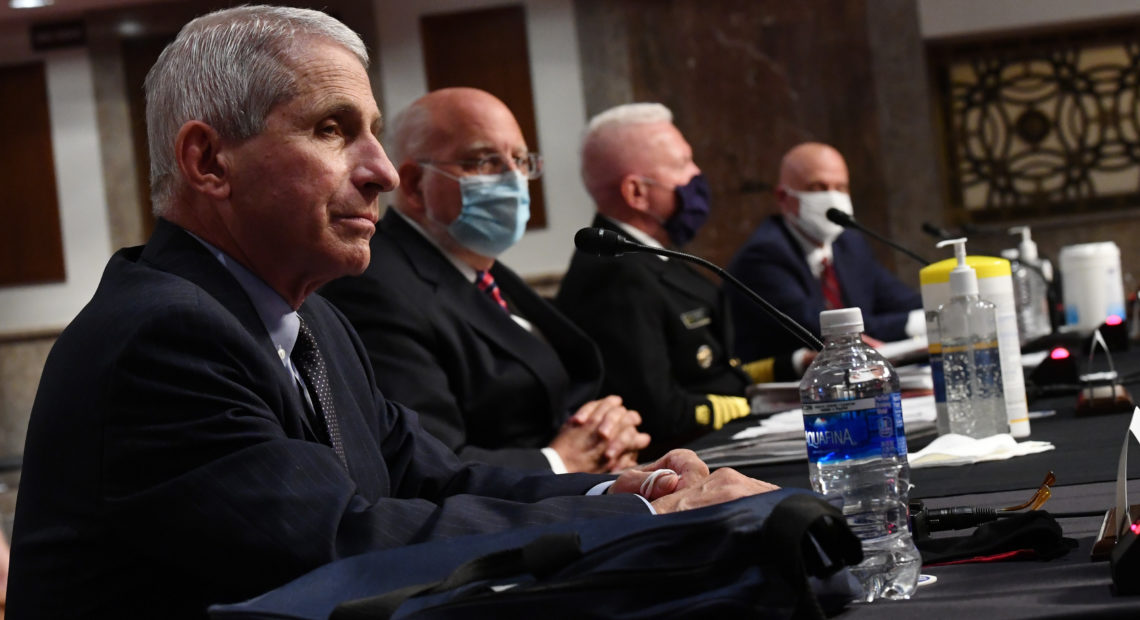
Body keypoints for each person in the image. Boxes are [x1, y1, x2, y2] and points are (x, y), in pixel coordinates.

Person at [7, 7, 777, 618]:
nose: (378, 170)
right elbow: (340, 540)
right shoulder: (164, 336)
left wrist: (627, 492)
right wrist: (647, 526)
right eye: (333, 129)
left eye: (372, 132)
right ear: (209, 161)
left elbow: (426, 473)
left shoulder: (311, 319)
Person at [321, 88, 648, 474]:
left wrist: (607, 432)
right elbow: (423, 462)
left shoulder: (475, 266)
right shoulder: (374, 285)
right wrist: (560, 463)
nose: (513, 179)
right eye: (483, 161)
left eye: (521, 160)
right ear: (412, 185)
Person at [557, 103, 802, 452]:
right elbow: (657, 411)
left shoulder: (648, 255)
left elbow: (716, 370)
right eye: (682, 164)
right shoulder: (615, 274)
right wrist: (756, 406)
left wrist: (793, 364)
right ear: (636, 193)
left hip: (727, 438)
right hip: (695, 454)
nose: (697, 174)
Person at [726, 142, 924, 360]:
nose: (833, 198)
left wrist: (937, 310)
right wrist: (920, 322)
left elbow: (898, 299)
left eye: (841, 188)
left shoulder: (849, 244)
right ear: (783, 198)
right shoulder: (763, 255)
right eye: (817, 188)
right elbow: (825, 329)